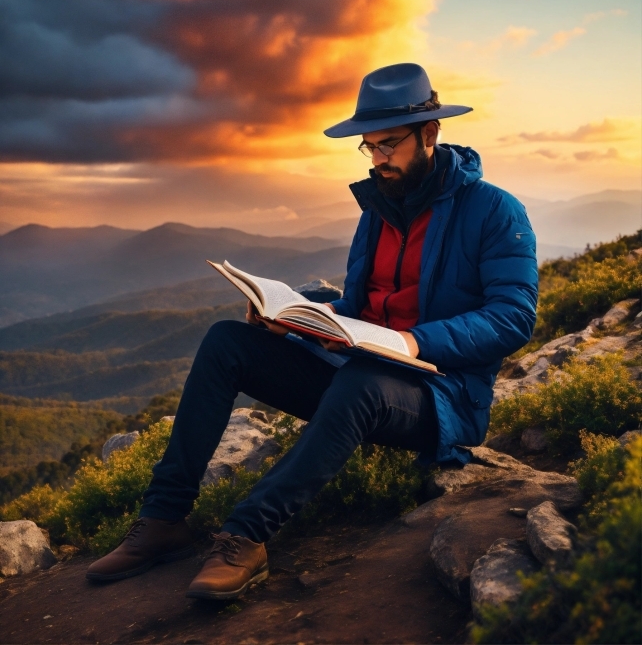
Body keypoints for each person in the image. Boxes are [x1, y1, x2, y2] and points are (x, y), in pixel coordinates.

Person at [86, 62, 538, 599]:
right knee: (226, 342)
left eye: (389, 145)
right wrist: (296, 318)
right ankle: (163, 519)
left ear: (431, 134)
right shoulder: (378, 209)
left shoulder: (494, 210)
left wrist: (417, 342)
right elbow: (358, 304)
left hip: (439, 396)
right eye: (368, 147)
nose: (378, 159)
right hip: (362, 370)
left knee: (362, 383)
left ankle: (245, 536)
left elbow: (513, 317)